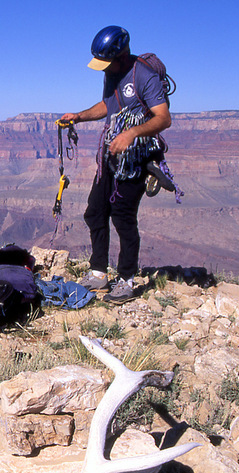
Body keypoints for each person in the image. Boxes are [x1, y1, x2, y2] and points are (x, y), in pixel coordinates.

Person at [61, 26, 171, 303]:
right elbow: (108, 106)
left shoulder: (143, 77)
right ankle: (98, 273)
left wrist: (132, 133)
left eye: (106, 63)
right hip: (112, 154)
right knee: (95, 211)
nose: (102, 69)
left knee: (122, 217)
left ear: (121, 56)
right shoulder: (112, 74)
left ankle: (126, 279)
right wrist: (79, 116)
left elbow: (163, 118)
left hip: (137, 158)